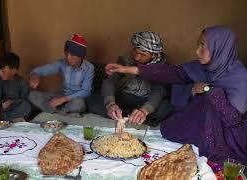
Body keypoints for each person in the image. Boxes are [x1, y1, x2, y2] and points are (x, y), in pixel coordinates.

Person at [105, 26, 247, 164]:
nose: (197, 52)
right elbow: (172, 73)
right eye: (198, 45)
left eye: (203, 46)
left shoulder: (240, 78)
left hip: (227, 133)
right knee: (168, 129)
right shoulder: (201, 66)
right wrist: (127, 69)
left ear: (220, 48)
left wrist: (209, 91)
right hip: (201, 120)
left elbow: (233, 119)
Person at [87, 31, 173, 126]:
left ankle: (136, 116)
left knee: (164, 108)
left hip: (145, 101)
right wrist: (110, 104)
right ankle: (125, 115)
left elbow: (159, 91)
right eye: (135, 52)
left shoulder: (162, 66)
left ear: (153, 55)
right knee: (93, 99)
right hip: (124, 99)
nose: (137, 57)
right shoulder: (125, 59)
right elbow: (110, 82)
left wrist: (145, 110)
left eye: (142, 54)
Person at [28, 34, 94, 116]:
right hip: (62, 95)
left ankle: (55, 112)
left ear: (81, 56)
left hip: (76, 99)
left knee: (78, 104)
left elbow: (86, 91)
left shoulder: (89, 67)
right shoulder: (61, 63)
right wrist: (35, 75)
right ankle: (61, 113)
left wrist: (63, 99)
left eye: (72, 55)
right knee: (32, 95)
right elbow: (41, 70)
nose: (68, 58)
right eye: (66, 54)